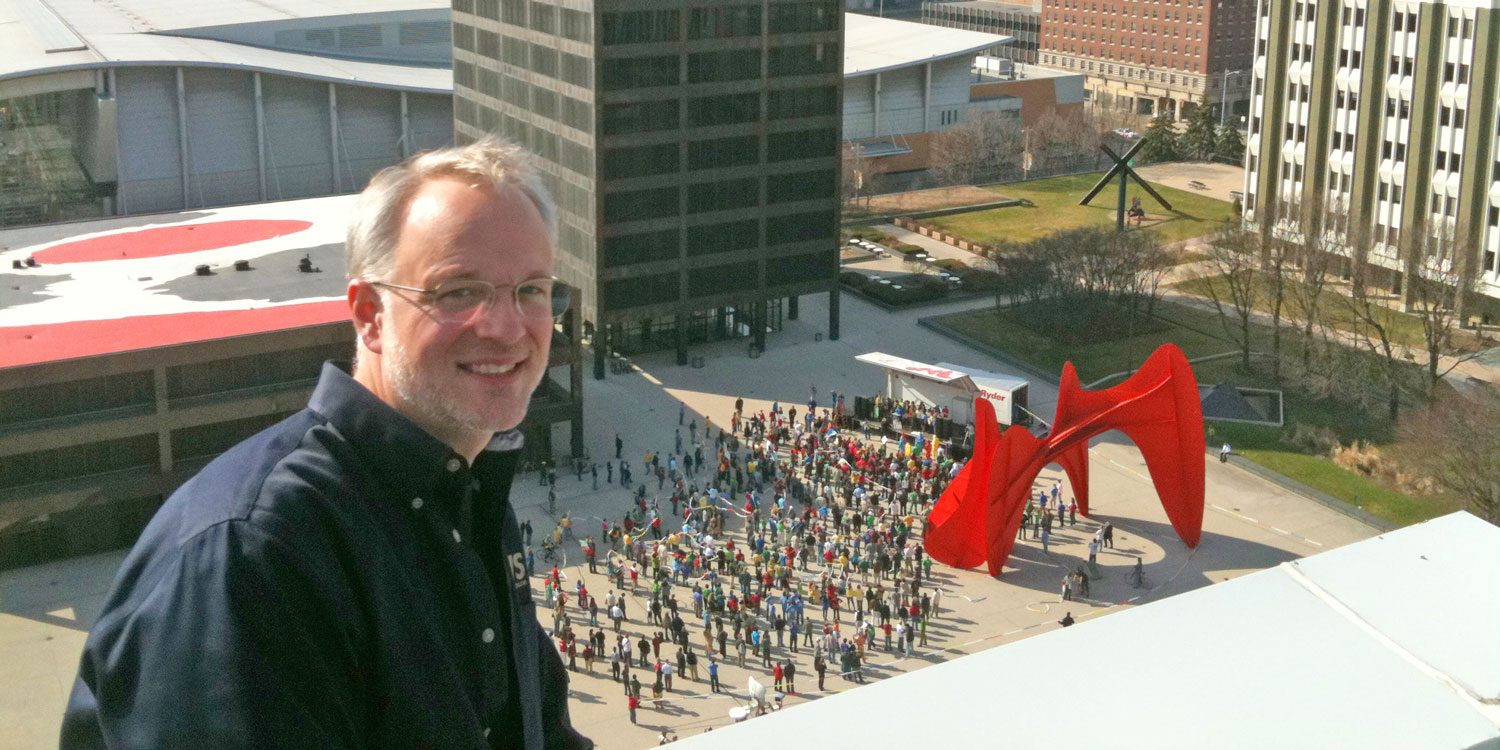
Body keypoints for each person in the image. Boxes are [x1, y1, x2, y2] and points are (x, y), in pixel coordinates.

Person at [60, 138, 592, 749]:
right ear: (369, 314)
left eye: (531, 289)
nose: (504, 327)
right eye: (458, 292)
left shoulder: (463, 493)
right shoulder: (254, 550)